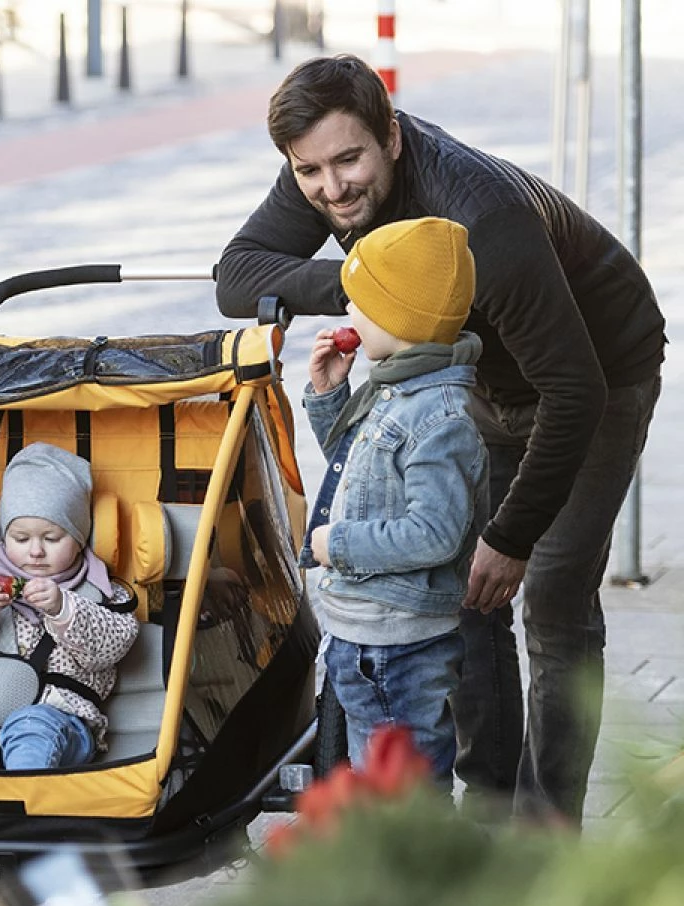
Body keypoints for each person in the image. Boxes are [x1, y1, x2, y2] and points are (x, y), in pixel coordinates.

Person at [216, 53, 666, 826]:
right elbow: (237, 276)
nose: (332, 188)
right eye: (309, 171)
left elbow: (575, 391)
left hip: (597, 372)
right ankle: (487, 813)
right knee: (465, 595)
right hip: (482, 376)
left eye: (348, 161)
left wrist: (512, 536)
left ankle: (544, 835)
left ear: (391, 136)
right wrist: (369, 286)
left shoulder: (485, 220)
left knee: (551, 599)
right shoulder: (325, 164)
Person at [300, 216, 486, 784]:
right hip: (368, 633)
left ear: (398, 319)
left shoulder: (440, 417)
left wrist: (338, 545)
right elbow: (362, 474)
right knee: (380, 783)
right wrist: (330, 394)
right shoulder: (396, 386)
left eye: (360, 303)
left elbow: (434, 533)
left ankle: (413, 848)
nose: (348, 313)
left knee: (400, 793)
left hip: (394, 646)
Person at [0, 442, 139, 771]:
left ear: (79, 539)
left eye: (51, 538)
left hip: (57, 716)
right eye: (21, 539)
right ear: (4, 538)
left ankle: (21, 795)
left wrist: (63, 608)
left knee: (33, 729)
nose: (35, 552)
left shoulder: (101, 592)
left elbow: (112, 646)